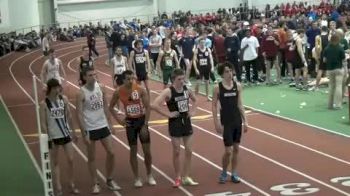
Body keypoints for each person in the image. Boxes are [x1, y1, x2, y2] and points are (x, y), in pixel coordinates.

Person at [76, 67, 120, 194]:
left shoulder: (101, 87)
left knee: (111, 153)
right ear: (84, 77)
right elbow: (78, 114)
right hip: (90, 127)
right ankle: (95, 183)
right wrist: (84, 133)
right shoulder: (81, 93)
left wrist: (110, 124)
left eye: (95, 74)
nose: (93, 77)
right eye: (90, 75)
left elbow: (105, 106)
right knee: (91, 157)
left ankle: (110, 179)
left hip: (102, 125)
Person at [151, 69, 199, 188]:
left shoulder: (186, 89)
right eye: (179, 79)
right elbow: (154, 105)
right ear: (173, 79)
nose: (182, 81)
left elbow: (195, 99)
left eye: (183, 79)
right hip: (175, 123)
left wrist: (193, 111)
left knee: (189, 150)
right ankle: (178, 177)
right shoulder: (168, 91)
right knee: (177, 151)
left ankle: (186, 176)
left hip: (186, 121)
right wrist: (168, 114)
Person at [109, 70, 156, 187]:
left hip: (141, 121)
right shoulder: (118, 91)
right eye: (128, 79)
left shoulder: (140, 89)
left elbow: (148, 107)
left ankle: (149, 175)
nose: (131, 81)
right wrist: (119, 121)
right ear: (123, 80)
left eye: (132, 78)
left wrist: (145, 124)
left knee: (147, 152)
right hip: (130, 123)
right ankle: (137, 178)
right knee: (133, 151)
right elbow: (110, 107)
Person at [39, 78, 79, 196]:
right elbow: (43, 123)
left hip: (66, 134)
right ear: (51, 89)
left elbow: (69, 116)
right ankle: (58, 187)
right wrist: (48, 136)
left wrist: (74, 132)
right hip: (54, 136)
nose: (58, 89)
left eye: (59, 87)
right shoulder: (44, 104)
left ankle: (71, 184)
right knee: (55, 162)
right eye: (56, 87)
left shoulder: (64, 99)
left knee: (71, 160)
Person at [212, 62, 248, 184]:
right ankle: (223, 172)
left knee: (236, 149)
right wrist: (216, 122)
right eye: (226, 71)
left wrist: (245, 121)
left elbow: (240, 104)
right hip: (226, 122)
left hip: (237, 120)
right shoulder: (217, 88)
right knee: (228, 151)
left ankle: (234, 173)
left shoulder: (237, 86)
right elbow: (214, 105)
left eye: (230, 71)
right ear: (222, 74)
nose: (229, 74)